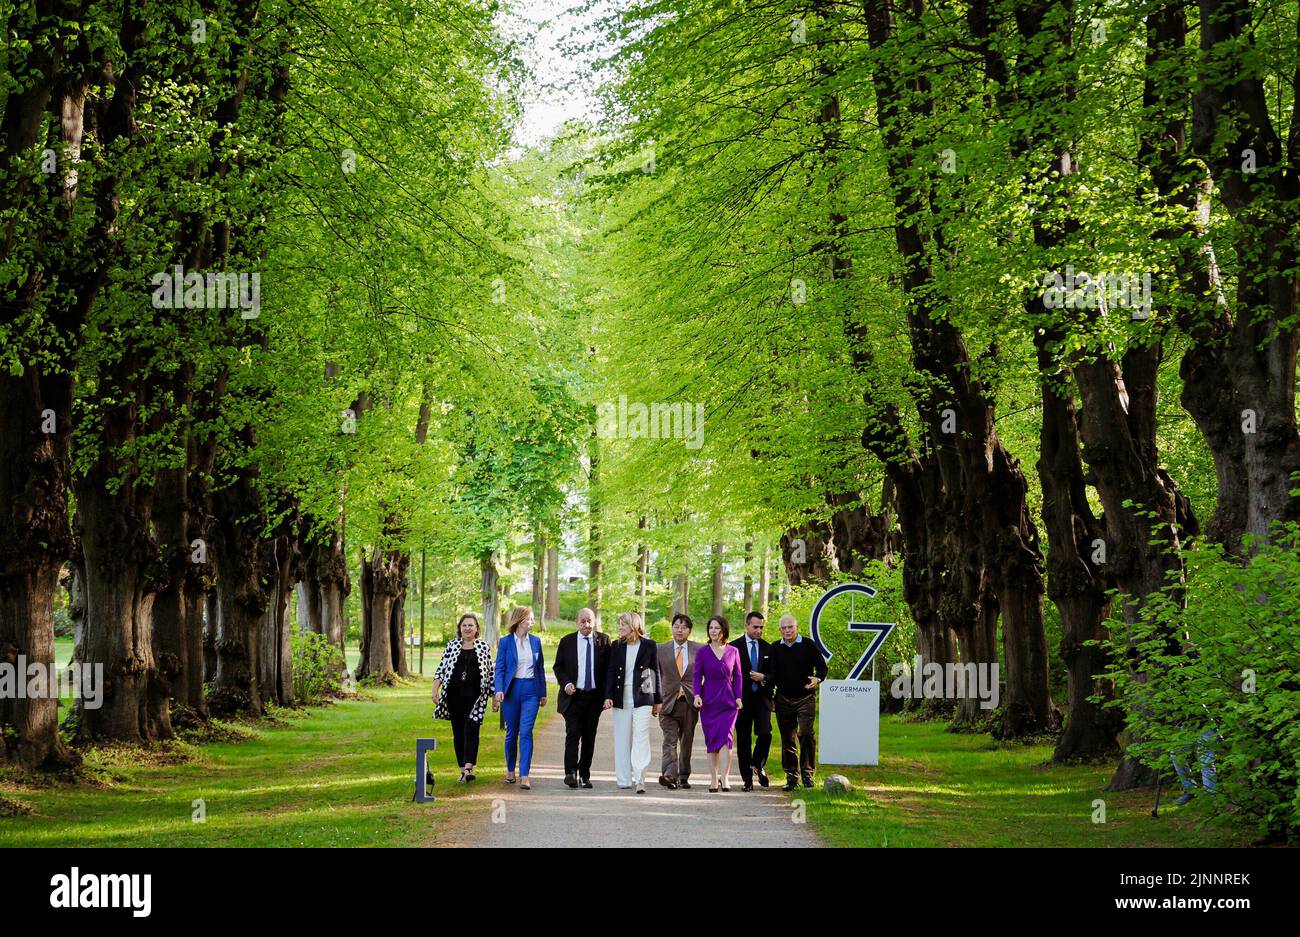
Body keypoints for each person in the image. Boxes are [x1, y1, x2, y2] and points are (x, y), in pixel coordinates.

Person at [432, 612, 494, 783]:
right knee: (458, 731)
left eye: (471, 625)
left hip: (475, 698)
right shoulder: (452, 645)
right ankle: (462, 769)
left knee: (472, 729)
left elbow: (490, 673)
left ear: (476, 629)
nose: (467, 628)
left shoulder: (483, 647)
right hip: (454, 696)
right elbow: (441, 669)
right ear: (460, 628)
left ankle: (468, 768)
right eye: (464, 625)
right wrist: (435, 689)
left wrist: (494, 696)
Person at [552, 607, 611, 788]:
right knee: (572, 734)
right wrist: (567, 683)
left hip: (594, 698)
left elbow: (609, 670)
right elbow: (558, 667)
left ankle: (584, 774)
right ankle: (570, 772)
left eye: (589, 621)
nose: (586, 624)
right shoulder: (567, 641)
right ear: (577, 622)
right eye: (583, 621)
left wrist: (608, 696)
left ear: (594, 622)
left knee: (589, 737)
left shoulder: (604, 641)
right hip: (573, 697)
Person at [768, 613, 827, 790]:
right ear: (780, 630)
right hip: (783, 699)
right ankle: (792, 778)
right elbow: (771, 675)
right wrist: (771, 698)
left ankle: (808, 775)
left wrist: (818, 679)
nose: (787, 630)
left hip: (805, 698)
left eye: (790, 627)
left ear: (797, 627)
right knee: (788, 739)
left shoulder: (808, 645)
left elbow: (822, 667)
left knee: (806, 734)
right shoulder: (775, 648)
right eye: (783, 628)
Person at [603, 611, 661, 793]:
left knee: (641, 737)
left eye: (623, 624)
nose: (619, 627)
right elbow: (611, 671)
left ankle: (640, 778)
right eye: (619, 624)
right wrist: (608, 696)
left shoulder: (649, 645)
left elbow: (655, 672)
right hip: (621, 697)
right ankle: (624, 779)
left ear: (633, 626)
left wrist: (657, 699)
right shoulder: (616, 646)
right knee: (622, 738)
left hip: (642, 697)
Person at [493, 606, 547, 790]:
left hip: (531, 690)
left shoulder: (536, 641)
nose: (532, 622)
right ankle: (510, 770)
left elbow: (540, 669)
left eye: (533, 619)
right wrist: (498, 689)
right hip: (511, 691)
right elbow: (499, 668)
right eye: (529, 619)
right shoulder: (506, 642)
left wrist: (543, 692)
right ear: (519, 620)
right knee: (512, 733)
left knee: (526, 732)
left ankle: (524, 774)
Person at [693, 615, 744, 793]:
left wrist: (738, 697)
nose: (713, 631)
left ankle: (725, 777)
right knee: (712, 740)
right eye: (711, 628)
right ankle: (714, 779)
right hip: (709, 701)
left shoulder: (733, 651)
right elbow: (697, 675)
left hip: (728, 701)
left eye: (716, 628)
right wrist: (697, 694)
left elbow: (738, 676)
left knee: (726, 739)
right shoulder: (702, 652)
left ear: (724, 630)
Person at [656, 613, 702, 790]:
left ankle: (683, 775)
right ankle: (669, 775)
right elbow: (656, 675)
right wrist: (656, 698)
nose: (679, 630)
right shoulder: (660, 649)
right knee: (669, 740)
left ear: (689, 630)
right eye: (676, 626)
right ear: (672, 628)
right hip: (668, 702)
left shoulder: (699, 650)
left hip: (689, 702)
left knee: (687, 740)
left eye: (683, 627)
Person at [731, 611, 775, 791]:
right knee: (743, 739)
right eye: (756, 627)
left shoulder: (767, 648)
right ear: (746, 626)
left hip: (762, 698)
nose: (759, 630)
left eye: (761, 627)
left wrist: (763, 677)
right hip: (742, 699)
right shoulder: (733, 647)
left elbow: (775, 674)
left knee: (765, 733)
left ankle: (757, 763)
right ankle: (747, 780)